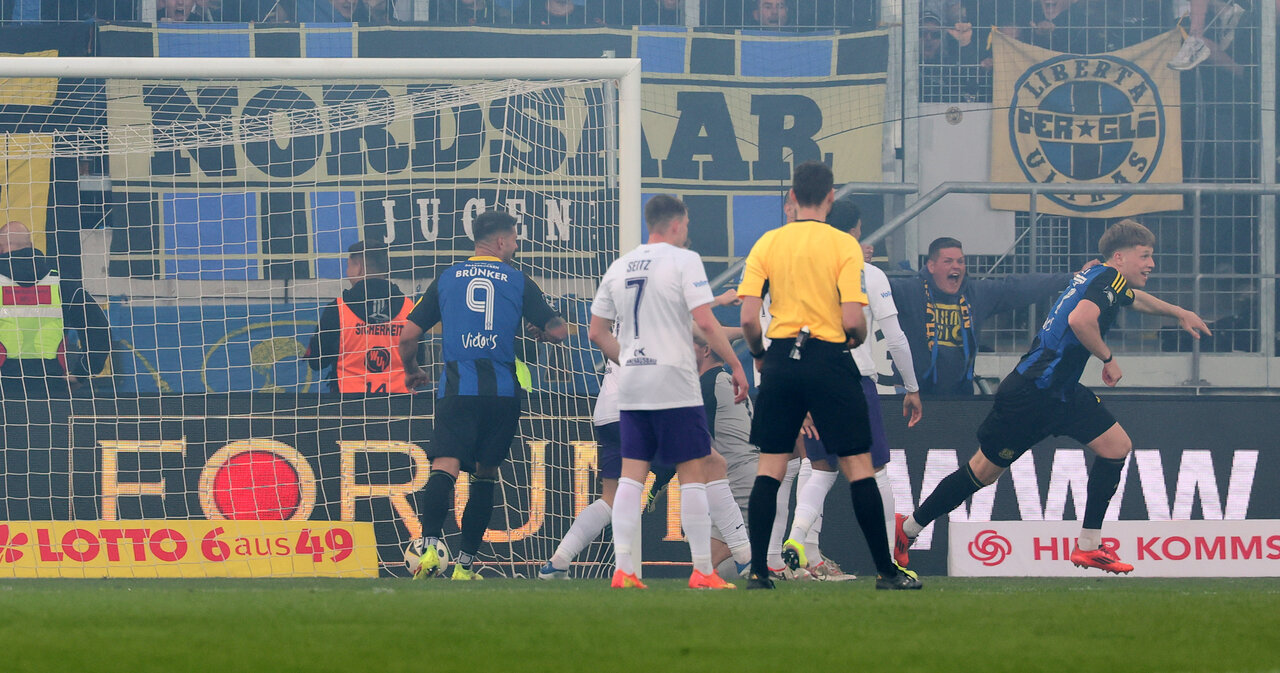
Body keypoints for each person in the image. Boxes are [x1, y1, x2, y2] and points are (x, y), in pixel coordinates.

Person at [894, 220, 1211, 574]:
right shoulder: (1106, 278)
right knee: (982, 473)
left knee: (1117, 447)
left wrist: (1180, 313)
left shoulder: (1105, 277)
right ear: (1120, 257)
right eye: (1145, 256)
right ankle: (909, 528)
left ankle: (1089, 546)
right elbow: (1080, 320)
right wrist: (1107, 358)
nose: (1151, 264)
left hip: (1060, 392)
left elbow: (1135, 299)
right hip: (1031, 393)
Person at [737, 161, 919, 591]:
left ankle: (760, 571)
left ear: (792, 198)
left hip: (781, 358)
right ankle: (886, 571)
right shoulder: (844, 246)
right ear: (831, 197)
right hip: (830, 357)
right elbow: (853, 319)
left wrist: (760, 357)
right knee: (859, 466)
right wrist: (850, 342)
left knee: (771, 468)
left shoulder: (768, 243)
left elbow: (747, 318)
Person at [588, 194, 748, 590]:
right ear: (676, 224)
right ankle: (702, 570)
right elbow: (705, 323)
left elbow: (596, 332)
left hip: (634, 383)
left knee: (631, 476)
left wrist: (630, 361)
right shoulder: (683, 260)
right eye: (687, 225)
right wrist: (735, 363)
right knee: (693, 470)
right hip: (674, 380)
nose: (686, 231)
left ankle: (623, 569)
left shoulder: (620, 266)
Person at [399, 211, 568, 581]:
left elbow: (408, 336)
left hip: (459, 389)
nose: (516, 247)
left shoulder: (447, 278)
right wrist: (542, 333)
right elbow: (558, 330)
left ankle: (428, 551)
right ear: (502, 241)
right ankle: (464, 566)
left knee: (444, 466)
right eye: (515, 240)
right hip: (503, 394)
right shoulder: (519, 280)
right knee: (486, 475)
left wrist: (411, 370)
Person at [780, 199, 923, 580]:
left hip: (811, 380)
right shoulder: (868, 274)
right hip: (854, 379)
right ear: (857, 229)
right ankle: (888, 562)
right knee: (876, 472)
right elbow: (895, 338)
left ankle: (796, 538)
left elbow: (791, 334)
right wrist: (911, 386)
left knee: (821, 470)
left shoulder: (804, 272)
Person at [890, 236, 1086, 396]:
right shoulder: (910, 290)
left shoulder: (976, 293)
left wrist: (1072, 278)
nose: (956, 266)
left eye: (960, 261)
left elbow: (1019, 287)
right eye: (948, 261)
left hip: (958, 395)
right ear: (931, 267)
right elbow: (877, 287)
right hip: (912, 393)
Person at [0, 221, 111, 401]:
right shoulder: (63, 284)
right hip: (52, 392)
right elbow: (100, 331)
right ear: (31, 246)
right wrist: (81, 373)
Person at [304, 241, 414, 394]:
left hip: (348, 402)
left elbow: (316, 362)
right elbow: (419, 362)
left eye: (348, 266)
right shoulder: (409, 307)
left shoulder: (338, 309)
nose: (347, 272)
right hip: (400, 401)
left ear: (358, 268)